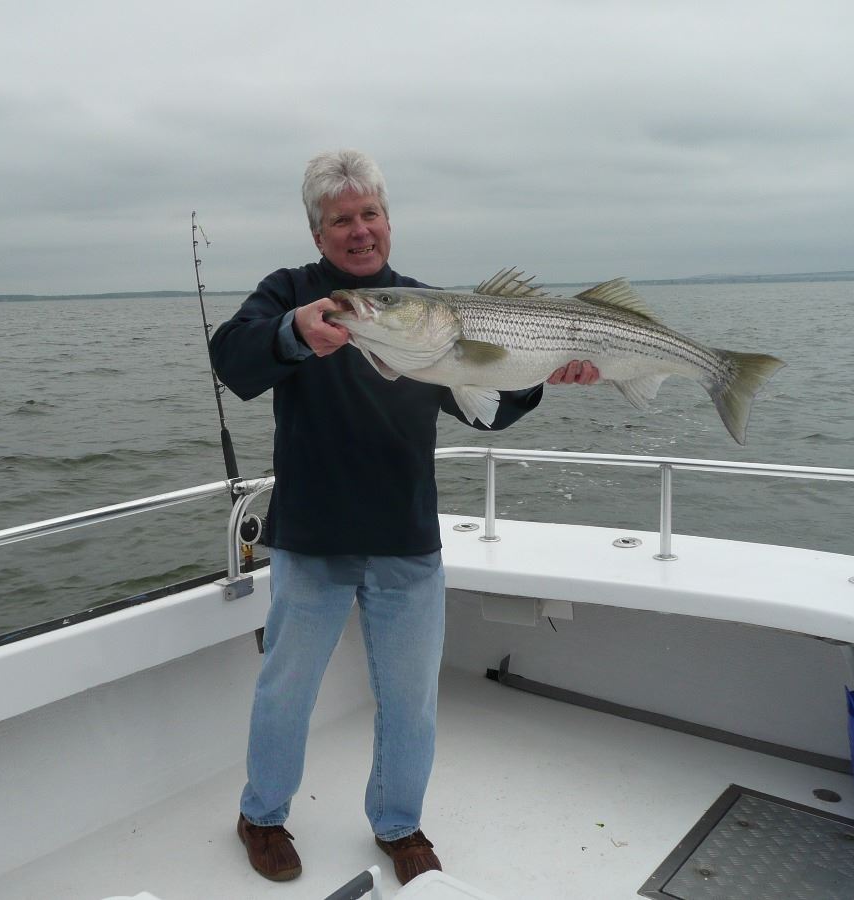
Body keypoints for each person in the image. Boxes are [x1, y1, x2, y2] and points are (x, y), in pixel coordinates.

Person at [209, 149, 599, 886]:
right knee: (287, 688)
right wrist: (291, 333)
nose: (359, 230)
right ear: (317, 233)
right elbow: (233, 362)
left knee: (411, 699)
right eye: (340, 220)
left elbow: (485, 412)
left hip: (405, 535)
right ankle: (261, 815)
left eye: (370, 214)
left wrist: (538, 375)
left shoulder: (428, 308)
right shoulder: (290, 292)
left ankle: (399, 824)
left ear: (388, 221)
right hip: (313, 535)